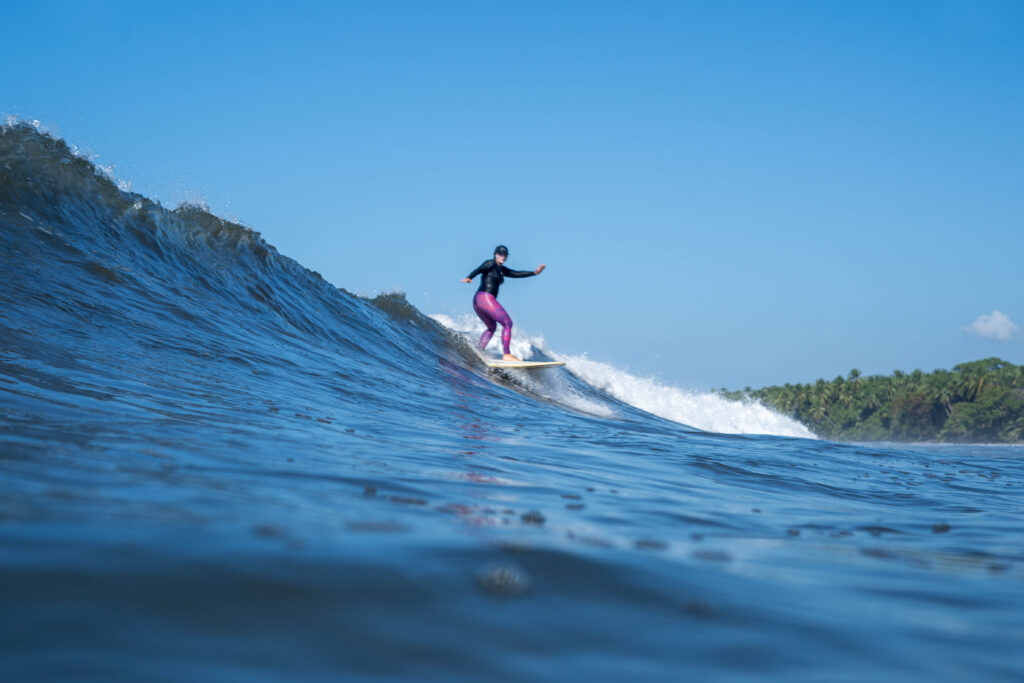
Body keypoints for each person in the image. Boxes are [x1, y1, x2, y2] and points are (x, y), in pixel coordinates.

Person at [461, 245, 546, 361]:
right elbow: (479, 269)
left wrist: (534, 273)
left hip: (478, 300)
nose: (503, 257)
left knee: (492, 327)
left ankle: (479, 351)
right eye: (501, 254)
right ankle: (506, 354)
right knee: (507, 323)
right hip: (485, 298)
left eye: (505, 255)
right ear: (495, 254)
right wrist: (469, 277)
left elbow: (516, 273)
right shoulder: (490, 263)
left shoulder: (501, 269)